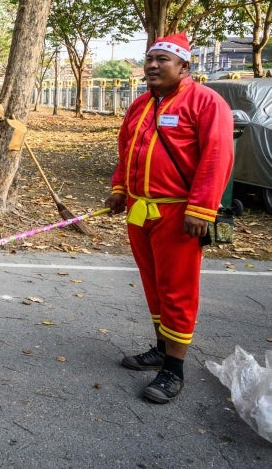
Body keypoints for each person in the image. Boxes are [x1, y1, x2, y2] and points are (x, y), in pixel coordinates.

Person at [104, 32, 234, 404]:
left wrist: (201, 209)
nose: (153, 65)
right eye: (149, 59)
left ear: (184, 66)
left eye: (163, 59)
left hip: (180, 213)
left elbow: (217, 157)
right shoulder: (140, 104)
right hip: (140, 210)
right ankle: (161, 348)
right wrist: (119, 189)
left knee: (177, 290)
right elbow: (127, 149)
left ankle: (173, 370)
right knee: (154, 284)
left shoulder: (206, 102)